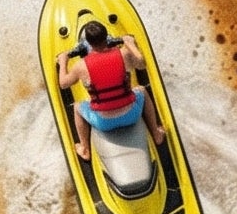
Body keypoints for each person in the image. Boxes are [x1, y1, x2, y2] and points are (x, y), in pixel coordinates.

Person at [58, 17, 166, 163]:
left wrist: (63, 61)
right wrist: (130, 44)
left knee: (77, 106)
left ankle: (84, 148)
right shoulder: (124, 54)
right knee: (141, 90)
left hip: (103, 122)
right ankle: (156, 133)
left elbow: (63, 84)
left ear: (89, 43)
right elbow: (141, 64)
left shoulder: (80, 66)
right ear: (106, 38)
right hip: (131, 115)